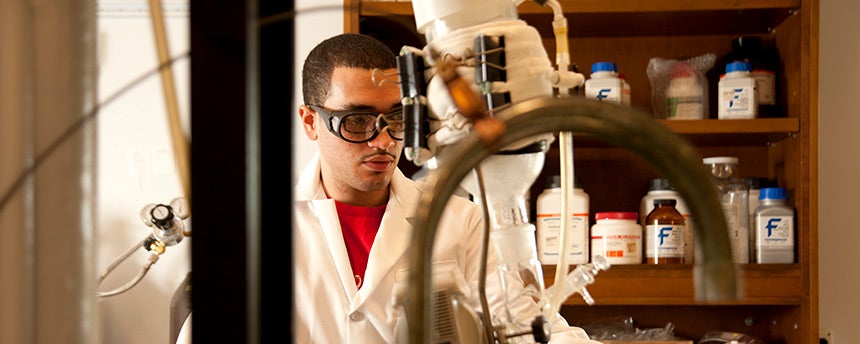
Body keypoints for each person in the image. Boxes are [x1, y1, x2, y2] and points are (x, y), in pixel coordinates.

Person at [293, 33, 600, 343]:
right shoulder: (257, 231)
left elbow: (529, 328)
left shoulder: (461, 221)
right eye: (357, 121)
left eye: (398, 118)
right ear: (309, 122)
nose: (384, 141)